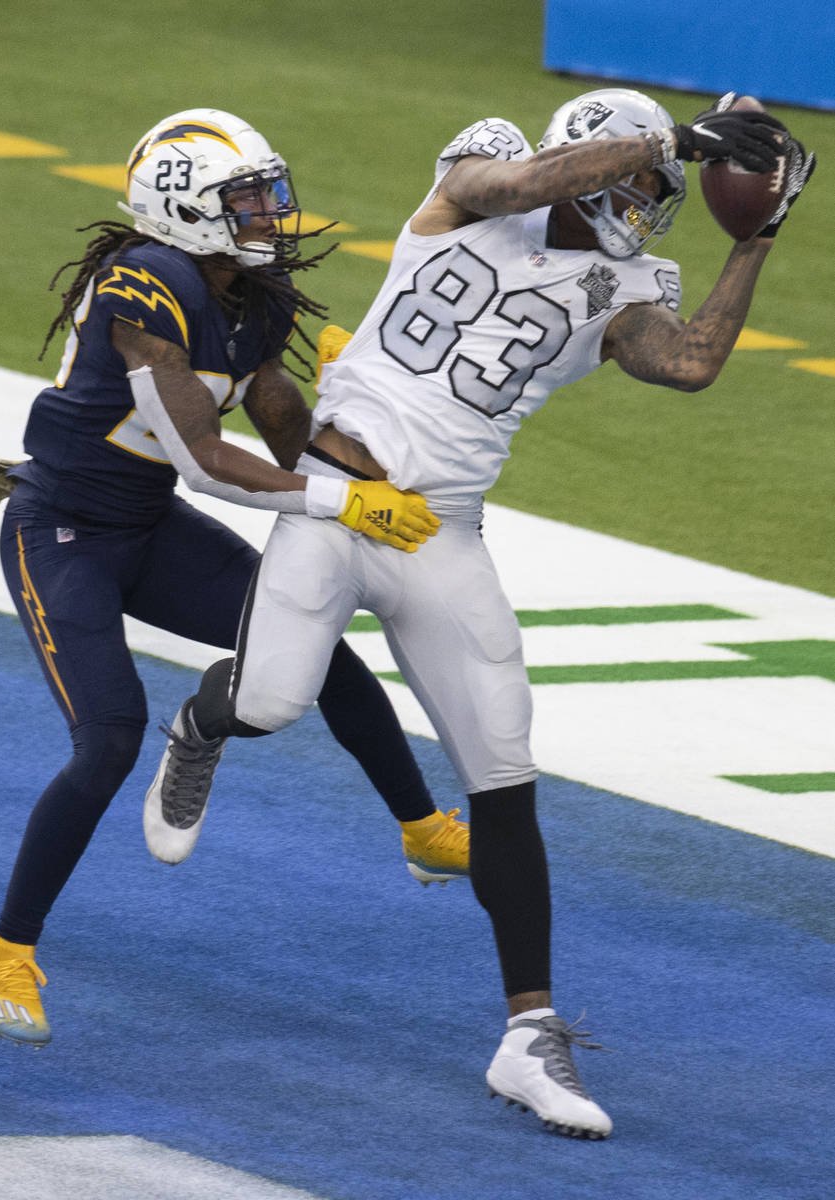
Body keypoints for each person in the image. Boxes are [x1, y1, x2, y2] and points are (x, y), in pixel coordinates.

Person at [147, 90, 814, 1137]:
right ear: (589, 151)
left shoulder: (634, 280)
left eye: (660, 187)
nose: (650, 198)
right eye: (639, 175)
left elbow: (688, 365)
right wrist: (664, 140)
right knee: (273, 701)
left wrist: (759, 239)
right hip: (333, 494)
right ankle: (206, 718)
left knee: (505, 774)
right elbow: (516, 184)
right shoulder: (486, 170)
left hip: (440, 531)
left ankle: (529, 1034)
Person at [0, 107, 471, 1051]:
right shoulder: (144, 284)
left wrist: (352, 447)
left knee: (312, 638)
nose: (268, 211)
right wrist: (338, 506)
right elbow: (202, 457)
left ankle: (420, 826)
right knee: (109, 740)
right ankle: (8, 951)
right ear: (184, 207)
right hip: (65, 532)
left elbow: (282, 421)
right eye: (245, 196)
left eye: (266, 192)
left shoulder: (251, 291)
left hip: (148, 526)